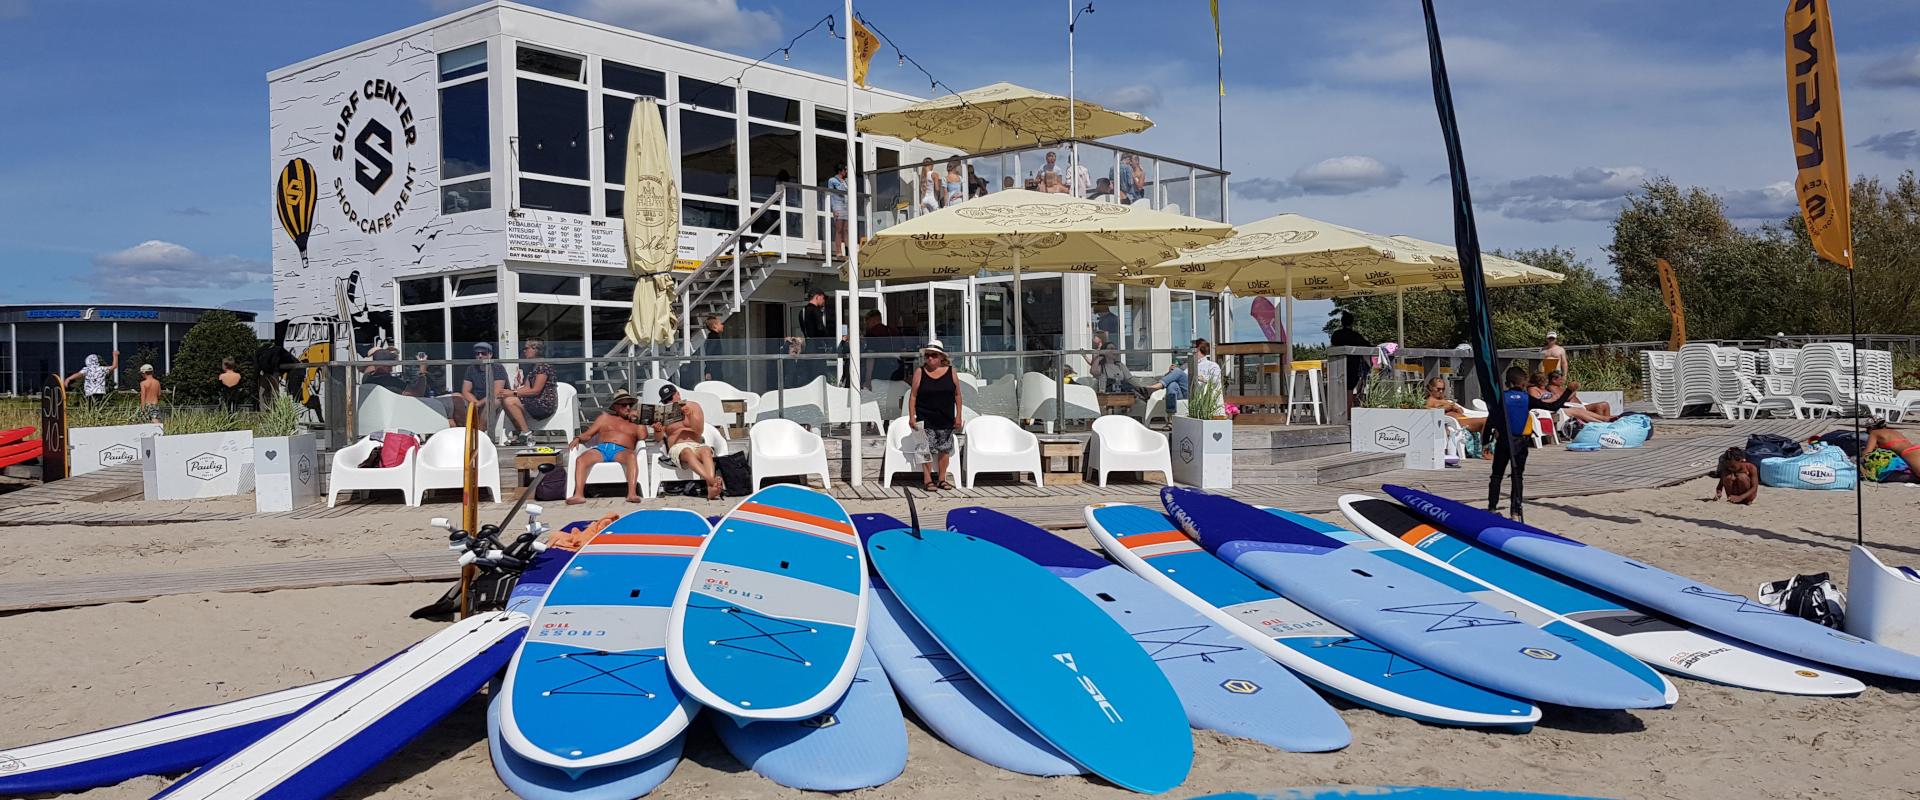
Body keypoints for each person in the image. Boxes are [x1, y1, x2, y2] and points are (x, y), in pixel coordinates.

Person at [1487, 365, 1573, 522]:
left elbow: (1490, 420)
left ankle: (1492, 508)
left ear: (1508, 383)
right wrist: (1568, 391)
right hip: (1520, 442)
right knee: (1517, 476)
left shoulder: (1501, 398)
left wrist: (1486, 441)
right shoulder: (1527, 399)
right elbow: (1552, 406)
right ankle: (1515, 512)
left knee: (1497, 475)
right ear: (1523, 383)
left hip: (1504, 441)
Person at [566, 391, 644, 504]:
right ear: (616, 407)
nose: (627, 407)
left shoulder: (635, 423)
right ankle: (578, 495)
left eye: (630, 405)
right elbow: (588, 434)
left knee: (631, 456)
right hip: (602, 449)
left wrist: (639, 420)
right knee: (581, 460)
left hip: (622, 451)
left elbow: (643, 436)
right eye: (624, 405)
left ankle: (632, 493)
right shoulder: (605, 418)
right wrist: (578, 438)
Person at [651, 383, 725, 500]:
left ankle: (711, 489)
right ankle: (712, 481)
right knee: (687, 451)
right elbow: (658, 439)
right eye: (666, 401)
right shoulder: (662, 413)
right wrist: (657, 430)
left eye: (671, 398)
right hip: (677, 447)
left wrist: (690, 416)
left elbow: (699, 431)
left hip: (697, 444)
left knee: (706, 450)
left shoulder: (694, 407)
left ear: (678, 394)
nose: (669, 402)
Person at [906, 340, 962, 491]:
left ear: (941, 357)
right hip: (925, 416)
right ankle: (927, 478)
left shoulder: (951, 372)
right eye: (927, 355)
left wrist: (958, 416)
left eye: (933, 355)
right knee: (925, 449)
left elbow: (957, 395)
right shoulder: (920, 372)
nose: (929, 358)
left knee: (945, 449)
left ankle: (942, 479)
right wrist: (912, 416)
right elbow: (913, 396)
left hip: (946, 416)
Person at [499, 339, 558, 446]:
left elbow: (536, 391)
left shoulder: (543, 367)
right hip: (534, 401)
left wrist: (512, 394)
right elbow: (526, 388)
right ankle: (520, 432)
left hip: (543, 404)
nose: (524, 351)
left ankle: (526, 434)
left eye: (526, 348)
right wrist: (509, 392)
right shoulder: (533, 368)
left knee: (509, 401)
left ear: (535, 349)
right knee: (504, 399)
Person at [453, 342, 505, 428]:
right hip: (476, 399)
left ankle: (480, 430)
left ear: (490, 355)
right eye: (477, 353)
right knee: (456, 396)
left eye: (483, 353)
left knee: (493, 402)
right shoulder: (471, 368)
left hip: (494, 398)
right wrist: (475, 403)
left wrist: (480, 403)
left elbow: (496, 392)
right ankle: (464, 428)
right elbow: (465, 391)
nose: (480, 356)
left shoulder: (497, 367)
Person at [1330, 312, 1373, 409]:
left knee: (1339, 388)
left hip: (1336, 365)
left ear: (1341, 322)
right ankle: (1348, 412)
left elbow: (1333, 344)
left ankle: (1339, 410)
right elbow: (1368, 346)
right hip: (1353, 365)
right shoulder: (1355, 335)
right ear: (1352, 323)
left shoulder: (1336, 334)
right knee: (1349, 388)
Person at [1543, 370, 1615, 423]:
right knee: (1600, 406)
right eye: (1560, 379)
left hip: (1580, 406)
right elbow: (1563, 399)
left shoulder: (1559, 387)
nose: (1562, 381)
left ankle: (1607, 424)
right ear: (1553, 379)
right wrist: (1573, 391)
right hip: (1575, 408)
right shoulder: (1551, 388)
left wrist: (1572, 391)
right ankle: (1601, 426)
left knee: (1605, 404)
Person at [798, 289, 833, 383]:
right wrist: (829, 343)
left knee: (809, 375)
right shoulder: (815, 311)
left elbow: (803, 328)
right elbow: (820, 328)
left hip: (807, 345)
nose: (824, 301)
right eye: (823, 298)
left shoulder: (803, 311)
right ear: (817, 297)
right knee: (819, 376)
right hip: (817, 346)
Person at [826, 163, 850, 259]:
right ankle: (838, 251)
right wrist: (833, 209)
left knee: (846, 230)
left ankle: (848, 251)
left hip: (846, 206)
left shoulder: (847, 181)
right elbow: (831, 195)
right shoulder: (832, 180)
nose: (846, 171)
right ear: (841, 171)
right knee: (839, 230)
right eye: (845, 170)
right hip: (838, 206)